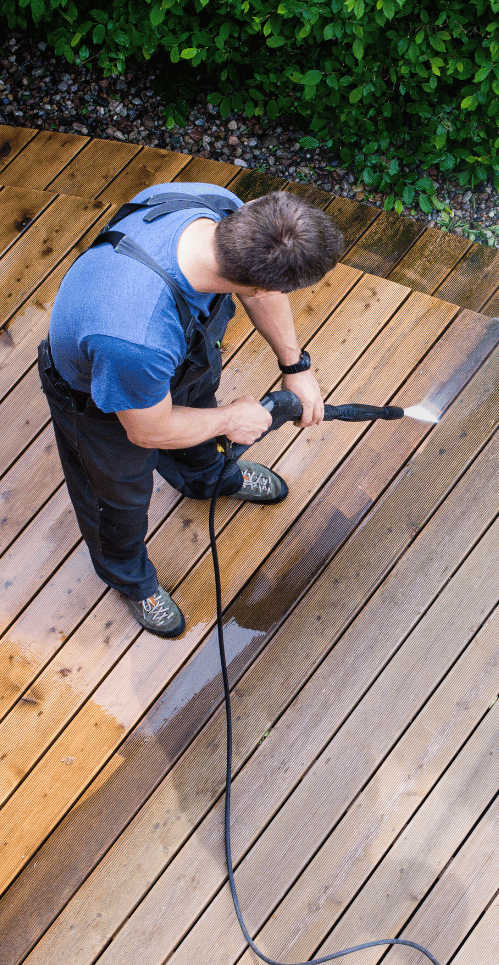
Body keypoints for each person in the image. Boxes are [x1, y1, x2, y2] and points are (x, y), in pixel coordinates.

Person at [38, 182, 344, 638]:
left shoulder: (224, 210)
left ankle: (208, 479)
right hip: (102, 405)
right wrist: (230, 420)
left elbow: (259, 292)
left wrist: (294, 365)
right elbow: (149, 430)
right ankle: (129, 577)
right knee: (117, 500)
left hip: (179, 363)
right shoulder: (136, 335)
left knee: (202, 424)